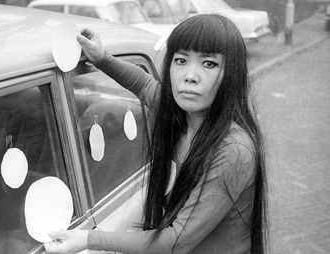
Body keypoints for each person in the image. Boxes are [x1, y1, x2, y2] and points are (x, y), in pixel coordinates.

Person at [44, 14, 268, 254]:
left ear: (231, 75)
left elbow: (176, 241)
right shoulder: (180, 115)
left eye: (209, 64)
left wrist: (87, 240)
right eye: (181, 60)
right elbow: (143, 84)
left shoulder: (233, 150)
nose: (190, 76)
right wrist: (102, 58)